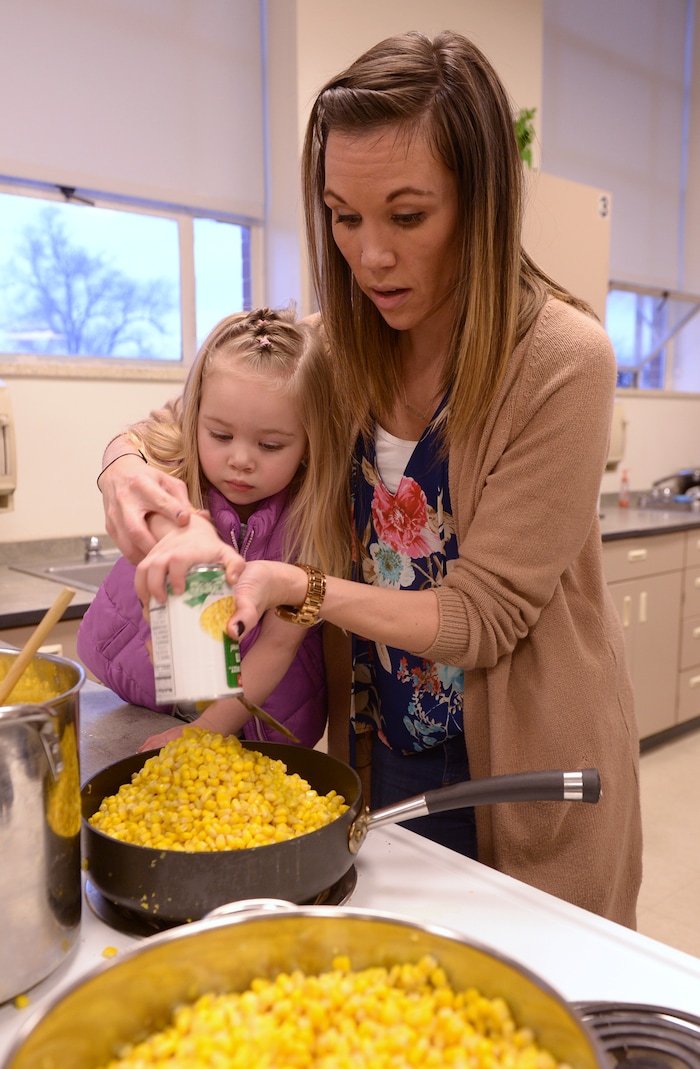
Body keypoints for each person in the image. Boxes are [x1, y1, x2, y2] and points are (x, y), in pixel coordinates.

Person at [97, 30, 642, 929]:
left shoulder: (561, 362)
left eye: (407, 216)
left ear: (484, 203)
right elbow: (156, 432)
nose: (370, 256)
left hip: (526, 759)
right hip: (383, 738)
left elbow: (481, 618)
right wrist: (141, 485)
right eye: (344, 217)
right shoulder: (333, 349)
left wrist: (300, 587)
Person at [78, 306, 350, 751]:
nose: (240, 459)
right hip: (144, 698)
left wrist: (203, 733)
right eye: (220, 436)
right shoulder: (171, 466)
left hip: (251, 718)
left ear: (308, 444)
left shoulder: (314, 521)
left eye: (270, 445)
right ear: (194, 419)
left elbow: (280, 646)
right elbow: (128, 462)